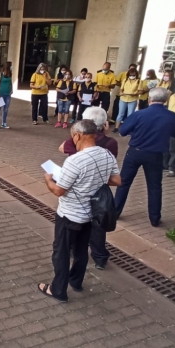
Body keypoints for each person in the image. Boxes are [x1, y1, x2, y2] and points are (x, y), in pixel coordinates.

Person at [37, 120, 121, 303]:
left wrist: (47, 179)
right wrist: (94, 180)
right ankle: (76, 281)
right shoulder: (107, 154)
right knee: (82, 250)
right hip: (91, 215)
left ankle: (58, 290)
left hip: (69, 215)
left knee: (61, 252)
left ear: (77, 136)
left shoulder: (74, 160)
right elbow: (117, 180)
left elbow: (59, 190)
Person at [59, 107, 119, 270]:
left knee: (75, 223)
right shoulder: (110, 143)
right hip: (99, 192)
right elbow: (115, 175)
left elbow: (62, 148)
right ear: (104, 124)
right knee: (97, 225)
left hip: (77, 190)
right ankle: (100, 257)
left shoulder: (77, 140)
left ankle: (72, 249)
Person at [114, 88, 175, 227]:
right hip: (156, 155)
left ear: (149, 99)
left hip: (135, 152)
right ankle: (155, 218)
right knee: (155, 186)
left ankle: (115, 212)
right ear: (166, 100)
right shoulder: (172, 116)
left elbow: (122, 131)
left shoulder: (139, 114)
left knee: (124, 183)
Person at [112, 67, 141, 134]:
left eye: (133, 75)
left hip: (132, 99)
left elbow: (140, 91)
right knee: (120, 114)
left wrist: (133, 94)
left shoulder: (139, 81)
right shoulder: (125, 80)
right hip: (123, 98)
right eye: (130, 75)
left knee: (130, 115)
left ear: (136, 75)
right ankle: (116, 128)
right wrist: (121, 93)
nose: (132, 76)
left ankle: (128, 129)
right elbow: (121, 89)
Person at [0, 61, 13, 129]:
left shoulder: (10, 74)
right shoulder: (0, 74)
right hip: (1, 94)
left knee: (6, 109)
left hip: (8, 94)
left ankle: (4, 123)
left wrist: (11, 89)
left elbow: (11, 83)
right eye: (10, 66)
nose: (11, 67)